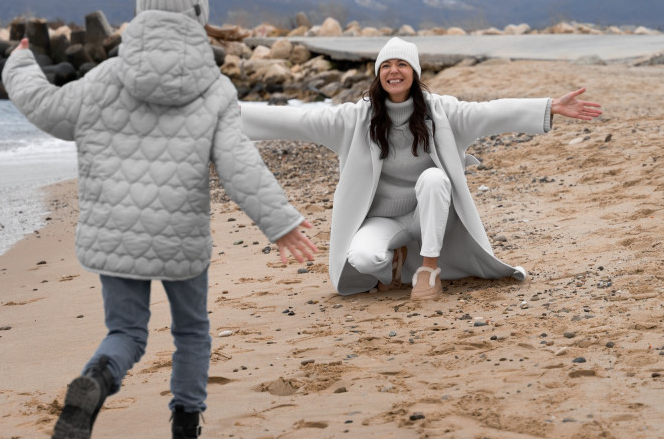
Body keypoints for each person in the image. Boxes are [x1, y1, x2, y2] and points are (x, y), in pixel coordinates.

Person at [2, 0, 316, 439]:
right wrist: (281, 223)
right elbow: (239, 164)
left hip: (112, 233)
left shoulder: (104, 78)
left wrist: (19, 67)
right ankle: (185, 435)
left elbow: (49, 110)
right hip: (179, 240)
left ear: (143, 8)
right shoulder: (214, 90)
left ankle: (97, 379)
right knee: (191, 332)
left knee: (125, 332)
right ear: (199, 12)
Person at [240, 36, 601, 301]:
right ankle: (393, 268)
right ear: (378, 74)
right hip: (381, 219)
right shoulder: (354, 118)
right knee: (363, 259)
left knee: (433, 178)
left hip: (429, 212)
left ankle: (429, 270)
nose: (393, 71)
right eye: (386, 65)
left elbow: (491, 112)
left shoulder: (441, 111)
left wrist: (549, 106)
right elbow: (294, 119)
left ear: (413, 72)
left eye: (401, 65)